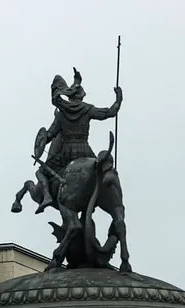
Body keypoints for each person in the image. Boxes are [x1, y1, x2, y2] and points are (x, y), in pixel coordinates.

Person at [34, 68, 123, 214]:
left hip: (66, 153)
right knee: (99, 171)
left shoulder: (61, 114)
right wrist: (119, 99)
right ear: (81, 96)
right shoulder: (87, 109)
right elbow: (109, 113)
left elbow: (49, 135)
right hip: (85, 151)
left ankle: (47, 196)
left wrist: (41, 142)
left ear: (70, 97)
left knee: (41, 171)